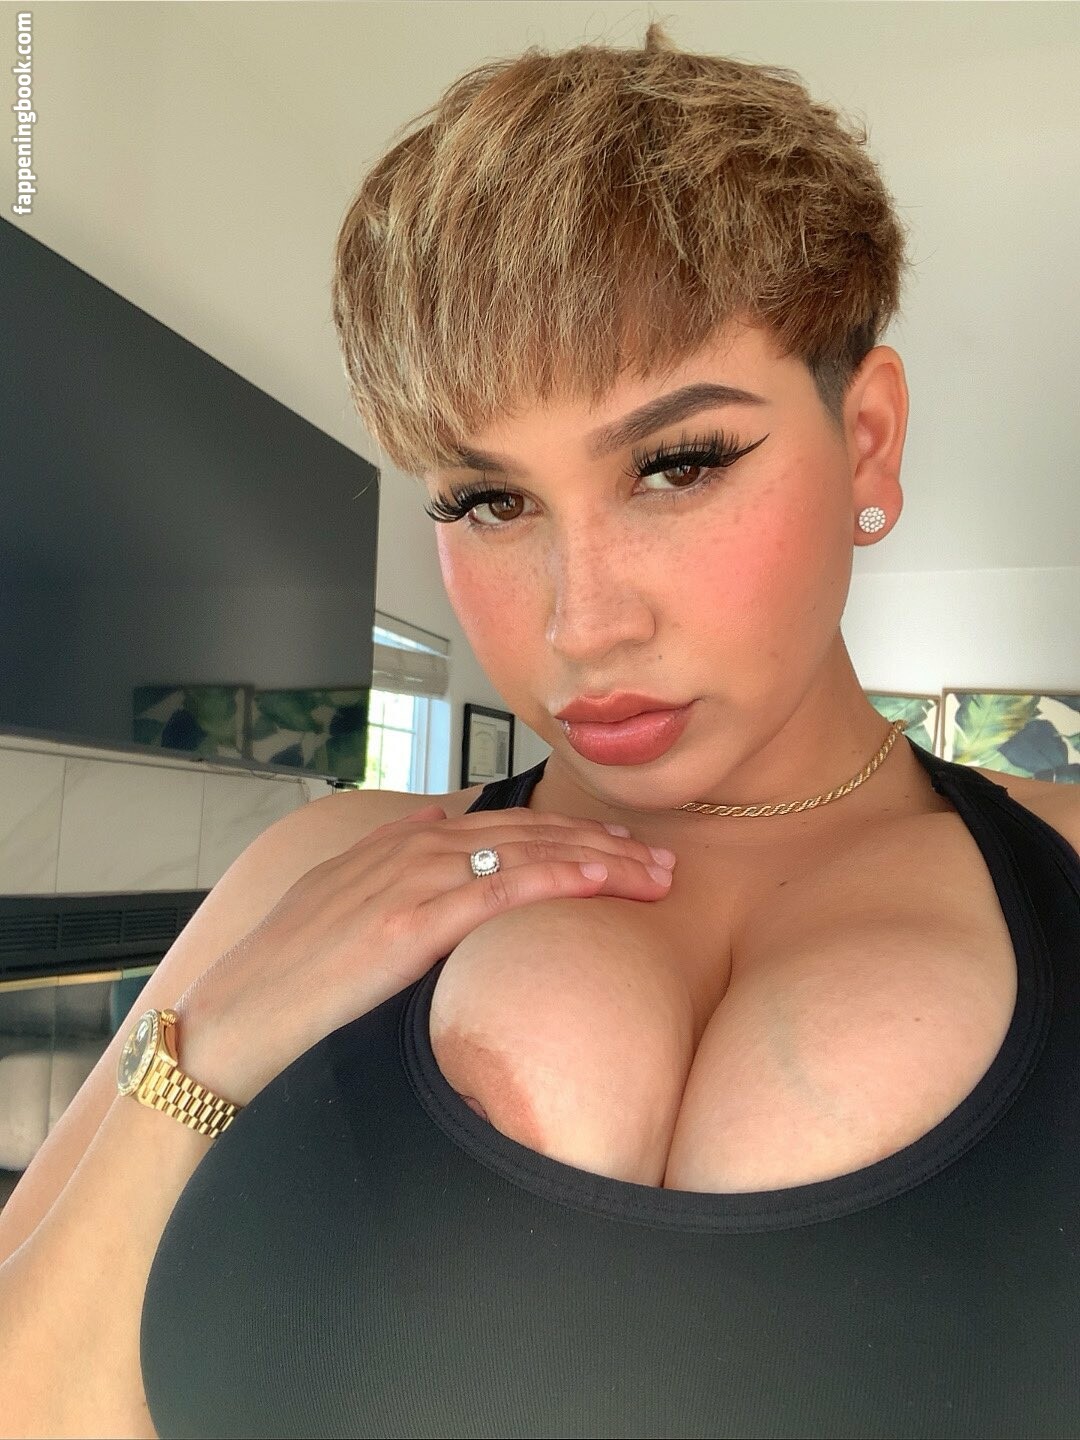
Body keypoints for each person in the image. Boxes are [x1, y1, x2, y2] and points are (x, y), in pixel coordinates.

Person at [3, 19, 1079, 1439]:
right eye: (488, 501)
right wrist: (201, 1055)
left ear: (867, 439)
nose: (583, 622)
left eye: (678, 464)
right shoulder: (319, 871)